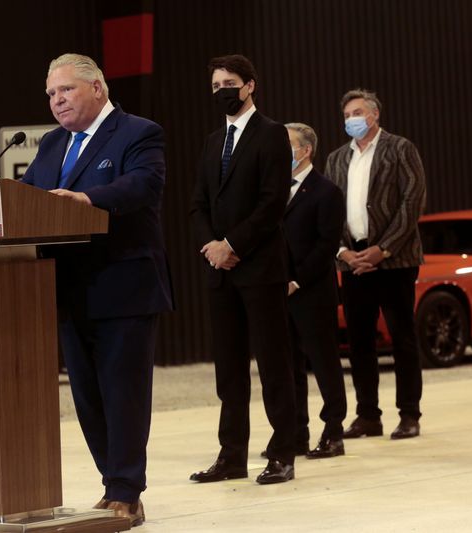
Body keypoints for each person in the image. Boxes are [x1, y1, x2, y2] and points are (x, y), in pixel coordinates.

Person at [21, 53, 173, 527]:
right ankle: (113, 484)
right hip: (68, 291)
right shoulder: (50, 145)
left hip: (123, 285)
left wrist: (86, 199)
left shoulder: (138, 132)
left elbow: (143, 186)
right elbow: (27, 196)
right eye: (50, 94)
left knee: (123, 393)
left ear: (98, 88)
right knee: (87, 396)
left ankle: (128, 488)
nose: (56, 101)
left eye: (64, 90)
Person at [189, 54, 297, 485]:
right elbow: (198, 203)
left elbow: (272, 203)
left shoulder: (272, 135)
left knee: (273, 364)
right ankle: (231, 455)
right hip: (220, 270)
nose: (222, 91)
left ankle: (283, 453)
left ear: (250, 85)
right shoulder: (213, 140)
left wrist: (232, 244)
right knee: (228, 369)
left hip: (260, 267)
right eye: (216, 85)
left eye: (229, 83)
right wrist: (213, 248)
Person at [324, 88, 427, 440]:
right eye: (346, 114)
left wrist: (383, 250)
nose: (350, 119)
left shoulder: (400, 148)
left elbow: (412, 202)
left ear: (374, 115)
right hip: (352, 260)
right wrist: (343, 252)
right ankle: (368, 415)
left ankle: (409, 414)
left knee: (402, 338)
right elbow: (330, 210)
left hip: (395, 259)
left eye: (357, 112)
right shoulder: (337, 158)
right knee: (359, 342)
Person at [282, 122, 348, 459]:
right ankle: (296, 433)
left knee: (324, 364)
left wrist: (296, 280)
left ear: (305, 150)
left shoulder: (326, 192)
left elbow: (325, 246)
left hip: (312, 291)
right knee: (289, 367)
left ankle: (334, 431)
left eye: (288, 145)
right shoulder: (273, 190)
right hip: (280, 292)